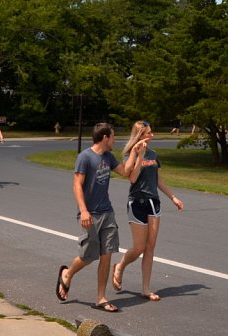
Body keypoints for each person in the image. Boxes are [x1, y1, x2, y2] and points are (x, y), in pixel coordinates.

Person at [55, 122, 144, 314]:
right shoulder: (85, 157)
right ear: (105, 137)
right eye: (113, 137)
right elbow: (77, 185)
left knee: (107, 255)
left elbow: (125, 171)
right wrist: (84, 210)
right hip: (91, 214)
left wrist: (135, 152)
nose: (114, 140)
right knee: (88, 256)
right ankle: (67, 273)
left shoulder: (108, 157)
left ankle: (101, 298)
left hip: (107, 212)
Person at [111, 120, 184, 302]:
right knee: (139, 247)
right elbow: (133, 178)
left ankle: (146, 288)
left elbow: (157, 179)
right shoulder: (129, 154)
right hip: (137, 202)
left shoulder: (154, 154)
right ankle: (120, 266)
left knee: (150, 246)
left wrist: (173, 197)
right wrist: (139, 155)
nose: (152, 135)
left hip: (154, 202)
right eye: (148, 133)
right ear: (140, 135)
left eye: (151, 132)